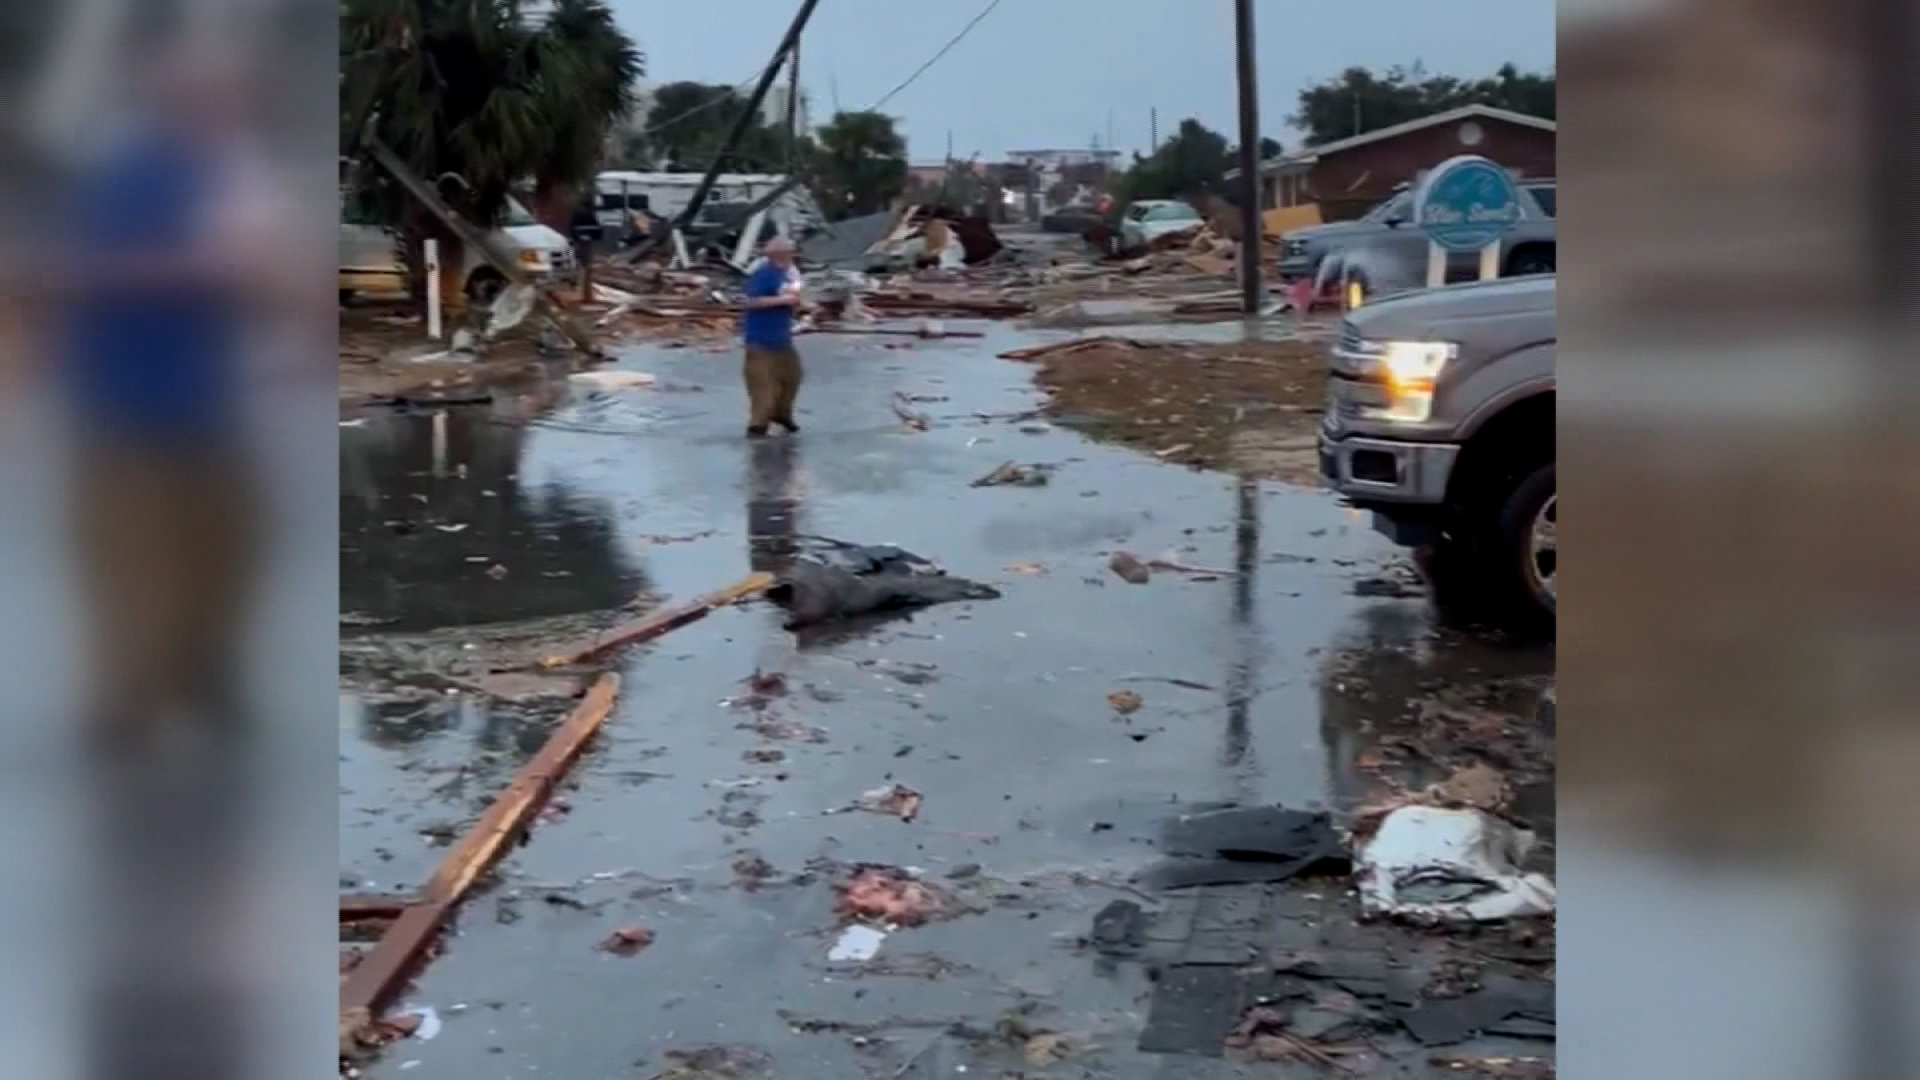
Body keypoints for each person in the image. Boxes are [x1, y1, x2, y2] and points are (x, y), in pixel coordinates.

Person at [739, 236, 804, 437]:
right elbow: (751, 302)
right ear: (780, 254)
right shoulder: (764, 274)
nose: (794, 256)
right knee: (763, 386)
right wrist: (783, 300)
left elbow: (792, 298)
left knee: (791, 378)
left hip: (782, 339)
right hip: (760, 340)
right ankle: (758, 426)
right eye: (791, 252)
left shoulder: (786, 275)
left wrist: (799, 304)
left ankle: (782, 414)